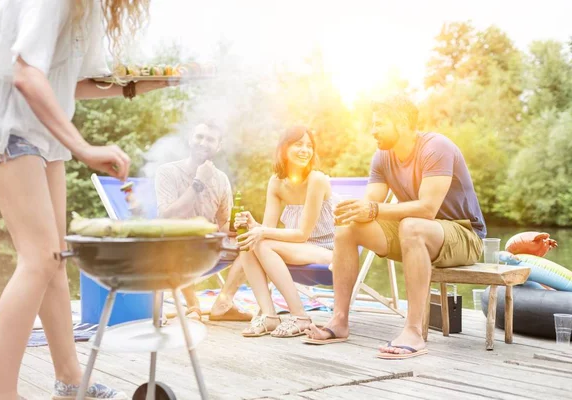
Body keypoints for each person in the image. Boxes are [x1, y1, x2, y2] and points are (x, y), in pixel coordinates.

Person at [0, 1, 174, 398]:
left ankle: (68, 379)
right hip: (8, 122)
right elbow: (27, 76)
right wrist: (85, 147)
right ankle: (1, 394)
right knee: (39, 259)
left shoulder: (88, 8)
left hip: (40, 131)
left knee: (55, 258)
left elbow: (68, 84)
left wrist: (153, 83)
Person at [305, 96, 486, 357]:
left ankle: (413, 331)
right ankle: (340, 321)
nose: (373, 130)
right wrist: (353, 210)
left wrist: (374, 210)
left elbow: (427, 209)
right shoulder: (382, 157)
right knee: (348, 227)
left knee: (413, 225)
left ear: (400, 123)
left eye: (379, 124)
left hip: (464, 235)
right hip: (416, 233)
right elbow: (371, 203)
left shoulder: (436, 148)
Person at [235, 125, 335, 338]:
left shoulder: (316, 179)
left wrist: (261, 232)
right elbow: (268, 229)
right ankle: (269, 315)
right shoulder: (276, 182)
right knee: (248, 242)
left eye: (309, 146)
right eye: (298, 144)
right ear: (284, 148)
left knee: (261, 241)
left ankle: (300, 316)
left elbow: (302, 235)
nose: (305, 150)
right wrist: (254, 226)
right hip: (299, 248)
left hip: (328, 249)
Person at [155, 122, 252, 322]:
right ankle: (193, 305)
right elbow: (168, 216)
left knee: (252, 245)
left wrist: (239, 224)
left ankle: (223, 303)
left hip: (210, 245)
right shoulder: (167, 172)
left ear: (218, 146)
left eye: (210, 139)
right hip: (175, 245)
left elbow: (224, 224)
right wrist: (199, 182)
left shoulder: (221, 179)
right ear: (190, 139)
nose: (203, 142)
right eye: (199, 136)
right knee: (178, 240)